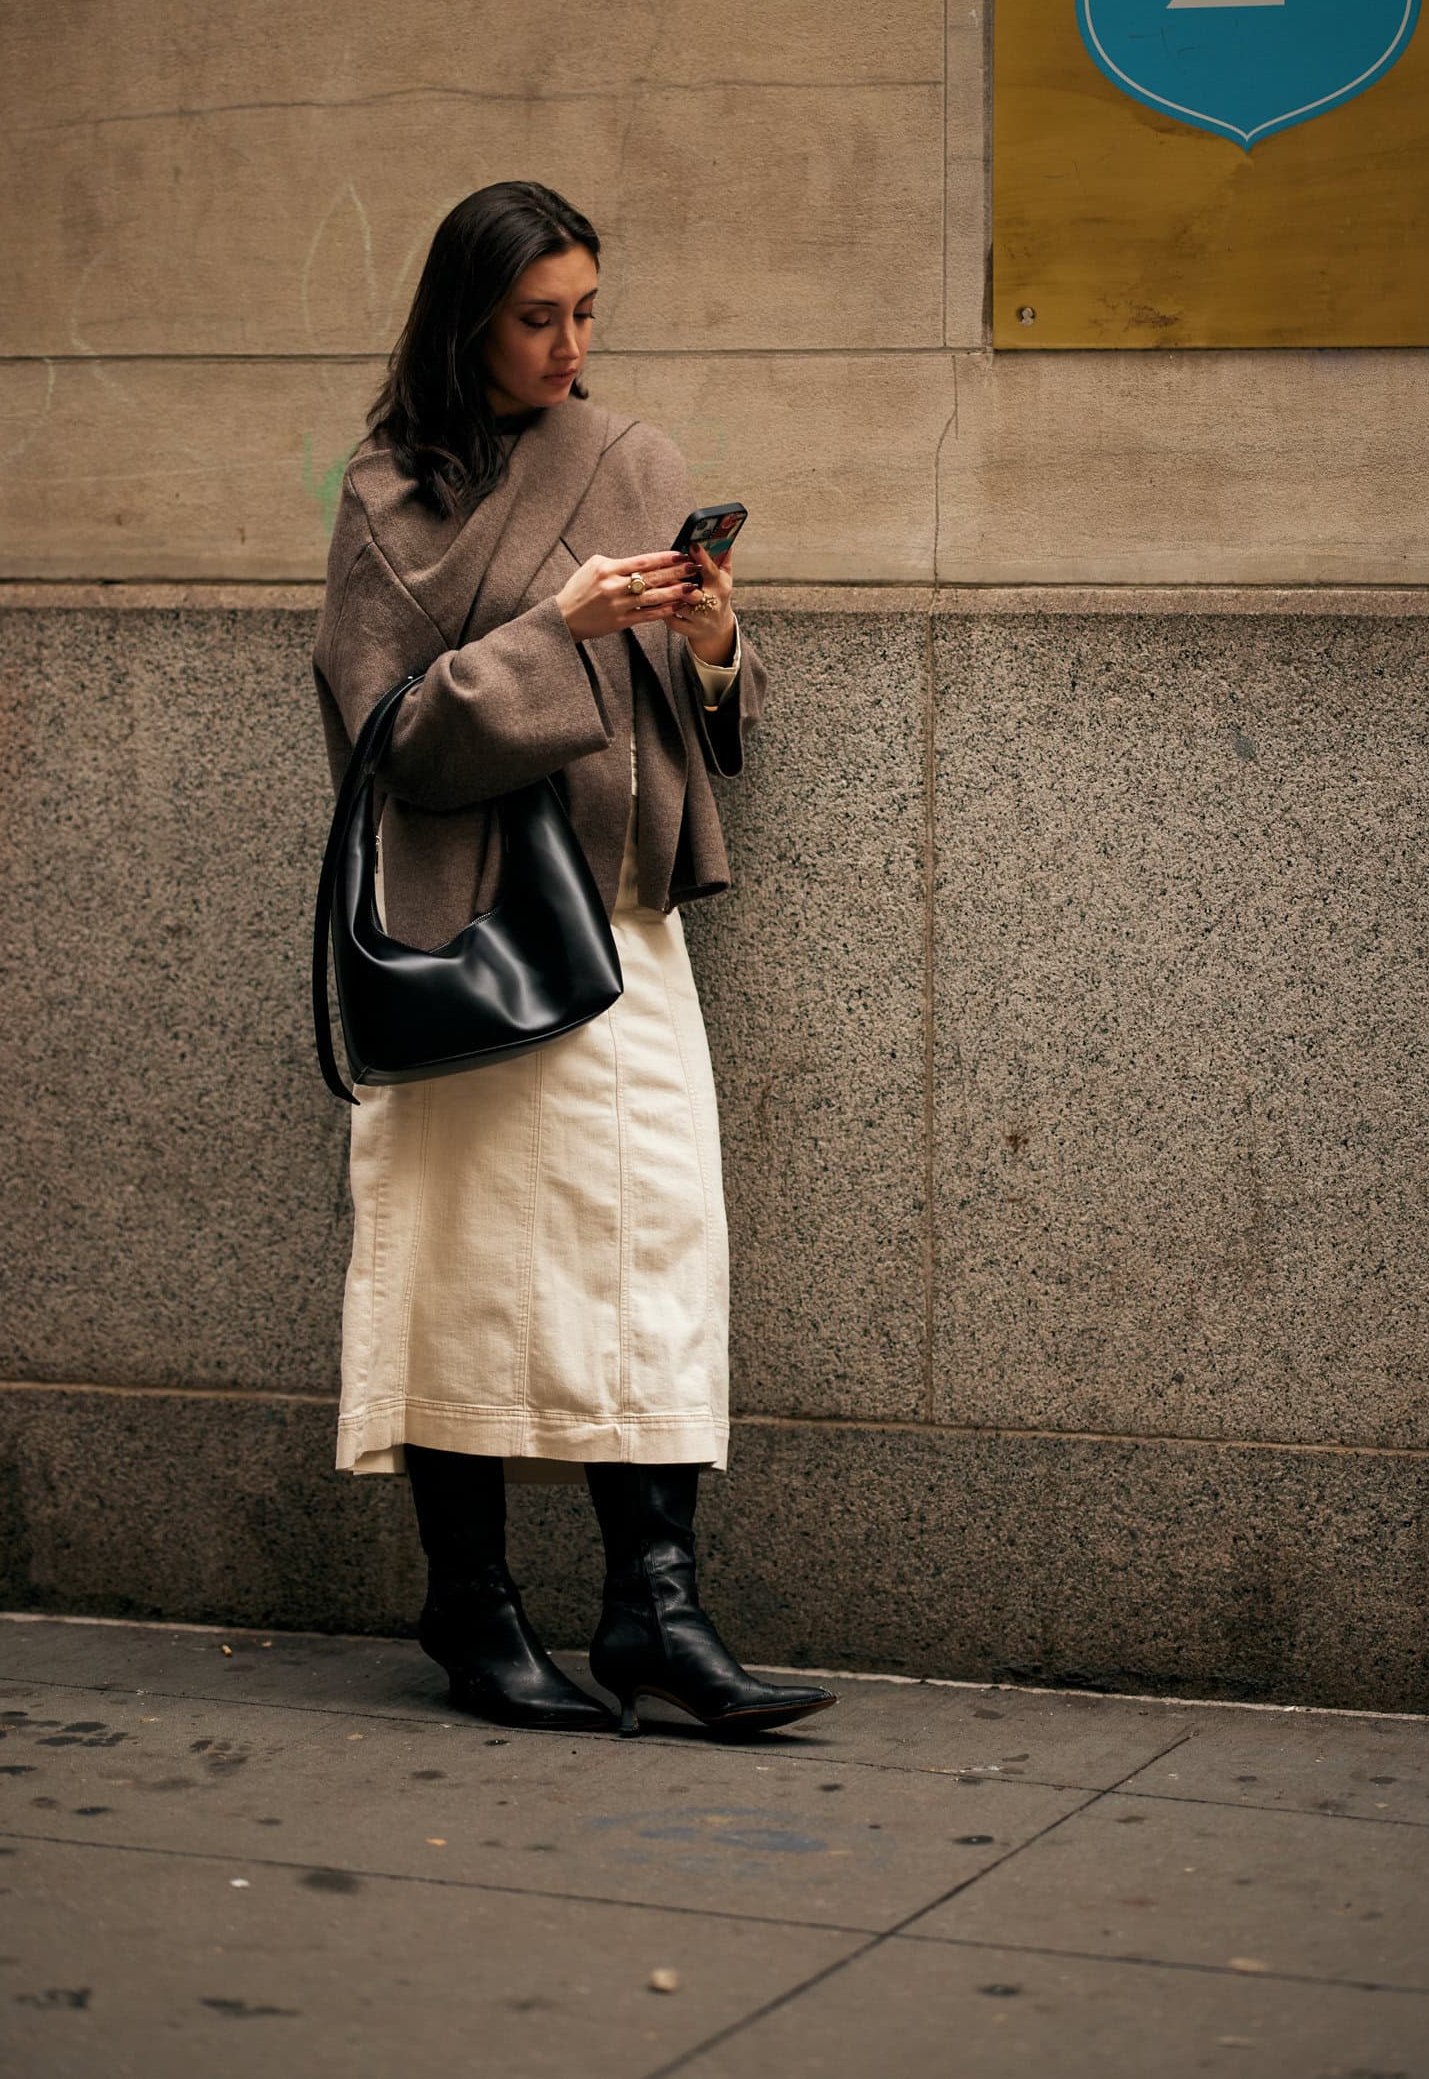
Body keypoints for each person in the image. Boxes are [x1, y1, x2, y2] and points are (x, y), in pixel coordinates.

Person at [311, 179, 833, 1742]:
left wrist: (711, 641)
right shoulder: (388, 492)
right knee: (466, 1272)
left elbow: (688, 734)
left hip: (622, 924)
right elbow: (385, 734)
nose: (569, 343)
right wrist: (559, 622)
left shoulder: (636, 458)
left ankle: (655, 1612)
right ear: (466, 314)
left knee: (657, 1253)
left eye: (588, 311)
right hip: (467, 929)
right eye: (539, 315)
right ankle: (473, 1613)